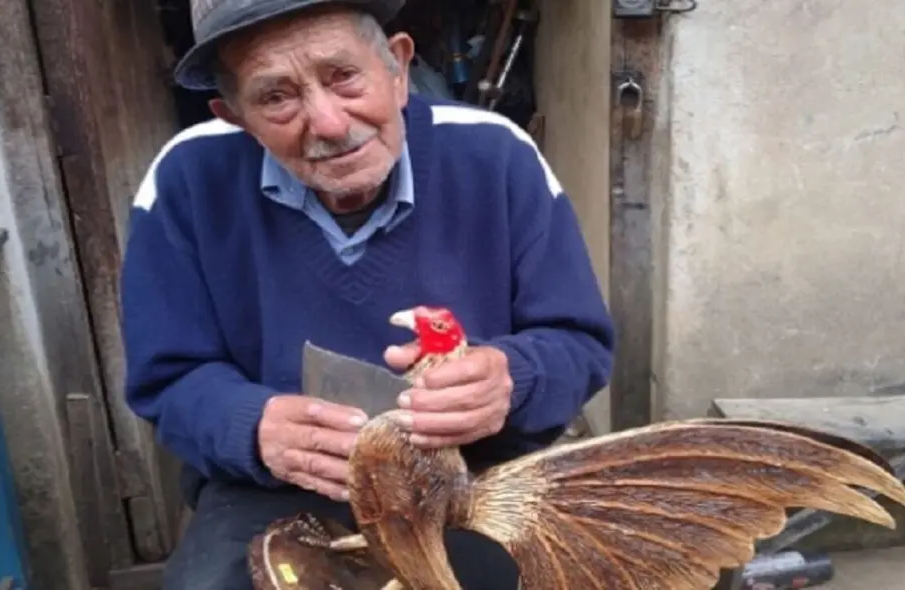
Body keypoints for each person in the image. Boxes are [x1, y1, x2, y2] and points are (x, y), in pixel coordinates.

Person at [119, 0, 616, 588]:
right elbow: (168, 380)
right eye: (277, 97)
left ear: (399, 67)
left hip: (479, 477)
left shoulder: (495, 155)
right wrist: (251, 426)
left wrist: (511, 380)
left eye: (343, 77)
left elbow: (577, 343)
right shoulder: (186, 179)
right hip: (277, 489)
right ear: (235, 116)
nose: (328, 123)